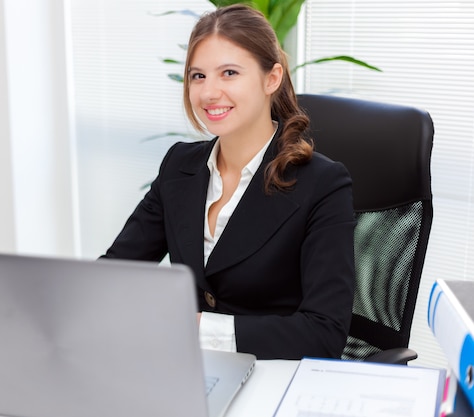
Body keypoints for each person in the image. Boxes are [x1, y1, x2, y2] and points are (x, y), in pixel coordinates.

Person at [101, 4, 356, 360]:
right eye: (198, 76)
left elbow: (323, 333)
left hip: (274, 379)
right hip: (190, 373)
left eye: (229, 73)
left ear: (272, 78)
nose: (208, 93)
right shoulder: (179, 166)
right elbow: (115, 274)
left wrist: (198, 328)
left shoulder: (323, 185)